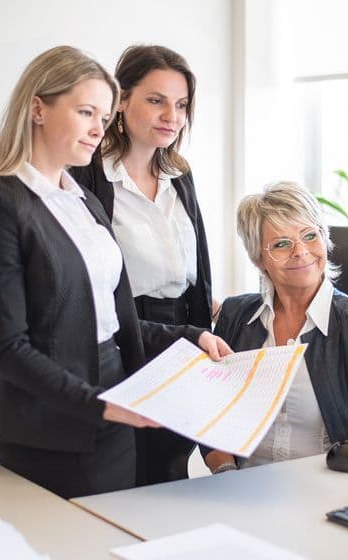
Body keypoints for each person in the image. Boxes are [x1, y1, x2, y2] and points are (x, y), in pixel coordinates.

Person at [0, 46, 230, 499]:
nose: (96, 129)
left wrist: (189, 334)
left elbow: (108, 317)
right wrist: (100, 405)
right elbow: (7, 348)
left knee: (126, 527)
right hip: (51, 419)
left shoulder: (79, 200)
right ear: (38, 108)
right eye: (86, 112)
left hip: (114, 388)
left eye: (102, 118)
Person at [71, 45, 213, 485]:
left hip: (182, 342)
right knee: (122, 479)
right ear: (121, 99)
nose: (172, 115)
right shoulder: (88, 176)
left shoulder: (180, 175)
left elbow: (196, 274)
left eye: (182, 104)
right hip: (123, 339)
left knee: (168, 475)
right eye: (156, 100)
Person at [203, 181, 348, 474]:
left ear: (324, 238)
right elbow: (210, 414)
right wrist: (226, 472)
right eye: (281, 243)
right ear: (259, 257)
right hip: (246, 487)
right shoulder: (236, 316)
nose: (300, 251)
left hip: (333, 484)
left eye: (309, 236)